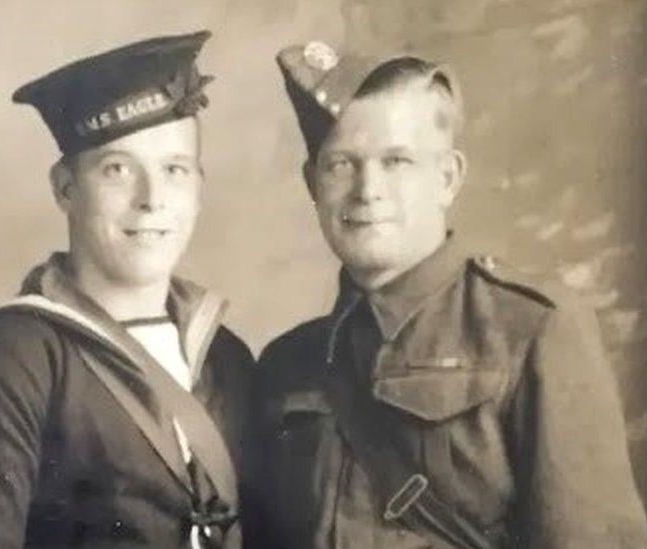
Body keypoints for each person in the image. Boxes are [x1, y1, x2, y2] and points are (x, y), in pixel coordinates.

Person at [245, 42, 647, 548]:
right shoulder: (288, 365)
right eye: (341, 164)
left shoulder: (530, 333)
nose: (368, 190)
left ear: (448, 177)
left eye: (397, 161)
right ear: (312, 184)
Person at [0, 31, 253, 548]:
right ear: (65, 188)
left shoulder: (227, 358)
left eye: (174, 170)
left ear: (198, 188)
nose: (151, 200)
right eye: (118, 170)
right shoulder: (11, 359)